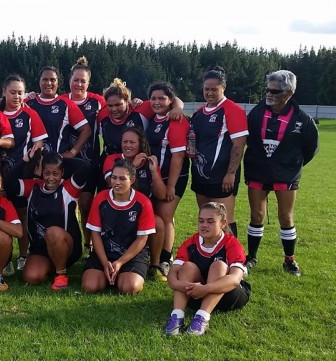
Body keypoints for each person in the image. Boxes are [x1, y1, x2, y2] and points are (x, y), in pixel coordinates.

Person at [243, 70, 319, 277]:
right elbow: (248, 139)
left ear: (289, 93)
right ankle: (251, 257)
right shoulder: (257, 113)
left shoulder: (303, 119)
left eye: (275, 91)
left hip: (286, 175)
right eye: (267, 89)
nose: (269, 94)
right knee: (256, 215)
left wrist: (290, 165)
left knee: (286, 217)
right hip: (257, 171)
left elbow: (310, 149)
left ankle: (289, 260)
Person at [164, 202, 251, 336]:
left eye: (210, 222)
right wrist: (184, 286)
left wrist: (205, 289)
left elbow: (234, 279)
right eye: (201, 221)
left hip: (228, 296)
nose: (204, 225)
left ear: (223, 223)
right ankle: (177, 316)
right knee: (187, 267)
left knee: (219, 265)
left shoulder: (232, 243)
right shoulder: (190, 243)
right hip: (196, 294)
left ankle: (202, 317)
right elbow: (172, 276)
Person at [7, 153, 89, 291]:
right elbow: (9, 183)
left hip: (67, 246)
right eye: (47, 173)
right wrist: (24, 161)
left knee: (52, 231)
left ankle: (61, 273)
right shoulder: (33, 187)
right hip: (41, 249)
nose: (51, 178)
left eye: (56, 173)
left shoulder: (69, 188)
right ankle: (51, 265)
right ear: (41, 173)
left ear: (62, 172)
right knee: (31, 277)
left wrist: (61, 160)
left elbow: (85, 166)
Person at [101, 127, 167, 280]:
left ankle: (155, 265)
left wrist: (154, 172)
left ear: (140, 144)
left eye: (132, 142)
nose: (128, 145)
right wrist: (133, 168)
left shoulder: (148, 161)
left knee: (158, 223)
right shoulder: (112, 159)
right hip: (115, 211)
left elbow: (161, 194)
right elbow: (112, 185)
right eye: (125, 142)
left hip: (141, 212)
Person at [0, 74, 47, 275]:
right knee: (0, 215)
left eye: (20, 92)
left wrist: (32, 157)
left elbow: (39, 142)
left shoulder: (30, 115)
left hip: (21, 175)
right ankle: (4, 258)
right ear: (3, 92)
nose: (17, 96)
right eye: (13, 92)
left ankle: (23, 256)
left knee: (21, 216)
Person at [190, 66, 248, 237]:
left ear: (224, 87)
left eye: (214, 89)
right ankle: (209, 255)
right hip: (200, 174)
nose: (209, 93)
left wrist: (231, 173)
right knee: (206, 219)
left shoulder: (233, 110)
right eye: (206, 89)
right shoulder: (199, 112)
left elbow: (239, 145)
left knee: (224, 220)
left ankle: (232, 258)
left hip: (222, 176)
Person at [82, 160, 156, 294]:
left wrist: (120, 262)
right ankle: (107, 272)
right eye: (114, 177)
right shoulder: (100, 199)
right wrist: (105, 263)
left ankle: (123, 274)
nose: (116, 182)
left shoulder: (143, 202)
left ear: (132, 180)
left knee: (129, 287)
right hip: (105, 252)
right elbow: (95, 234)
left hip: (132, 255)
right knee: (90, 286)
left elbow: (141, 240)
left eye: (122, 179)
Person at [60, 56, 106, 251]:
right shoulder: (60, 101)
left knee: (86, 204)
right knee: (68, 204)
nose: (78, 84)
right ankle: (70, 242)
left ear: (88, 82)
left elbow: (119, 109)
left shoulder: (97, 101)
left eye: (83, 81)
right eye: (75, 80)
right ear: (69, 80)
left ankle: (87, 244)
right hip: (65, 162)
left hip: (90, 161)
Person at [145, 82, 190, 275]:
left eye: (161, 98)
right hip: (154, 176)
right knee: (154, 215)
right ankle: (152, 252)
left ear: (170, 100)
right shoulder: (154, 118)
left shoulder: (177, 120)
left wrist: (171, 185)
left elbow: (178, 156)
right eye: (153, 98)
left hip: (174, 177)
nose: (156, 102)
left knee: (165, 216)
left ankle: (165, 258)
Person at [25, 66, 91, 158]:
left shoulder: (66, 104)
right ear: (39, 81)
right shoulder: (27, 103)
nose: (48, 83)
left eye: (52, 80)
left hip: (56, 165)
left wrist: (72, 152)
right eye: (45, 79)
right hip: (30, 162)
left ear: (58, 83)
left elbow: (86, 130)